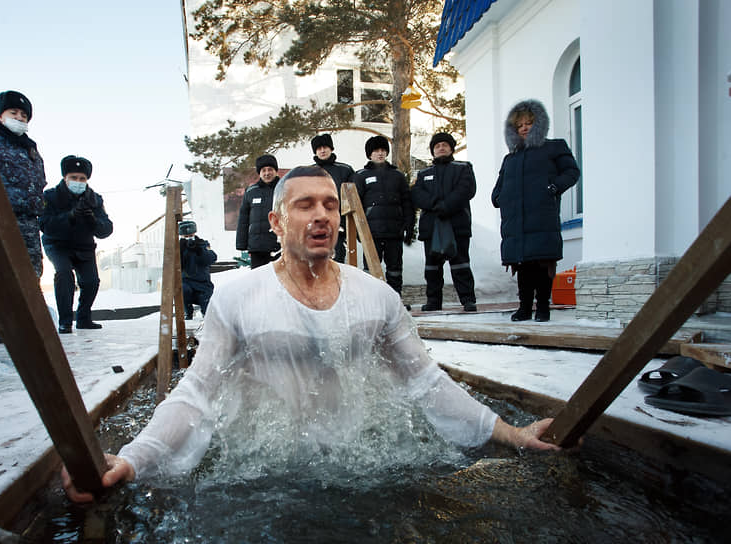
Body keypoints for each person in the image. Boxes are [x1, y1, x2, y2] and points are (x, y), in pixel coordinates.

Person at [62, 165, 561, 503]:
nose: (321, 215)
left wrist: (511, 433)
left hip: (359, 466)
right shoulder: (238, 299)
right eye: (305, 206)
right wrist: (132, 460)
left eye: (329, 205)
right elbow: (195, 395)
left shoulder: (376, 297)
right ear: (277, 222)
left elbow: (426, 383)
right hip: (262, 477)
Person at [491, 99, 580, 322]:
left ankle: (542, 307)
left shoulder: (553, 147)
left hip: (541, 215)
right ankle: (524, 307)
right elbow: (500, 184)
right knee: (522, 266)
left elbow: (571, 172)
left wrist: (553, 188)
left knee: (542, 263)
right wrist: (498, 197)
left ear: (538, 124)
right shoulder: (510, 158)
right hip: (515, 220)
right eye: (519, 125)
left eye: (528, 123)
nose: (524, 128)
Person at [0, 90, 47, 343]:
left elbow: (39, 181)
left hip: (28, 221)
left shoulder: (31, 149)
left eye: (24, 115)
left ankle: (23, 326)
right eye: (14, 113)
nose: (20, 118)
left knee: (32, 272)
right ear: (1, 116)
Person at [40, 156, 113, 333]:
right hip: (58, 245)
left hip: (84, 246)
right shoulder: (50, 196)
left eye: (82, 179)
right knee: (64, 275)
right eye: (73, 177)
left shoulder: (95, 199)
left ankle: (84, 318)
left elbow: (106, 229)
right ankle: (65, 321)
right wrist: (69, 216)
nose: (78, 182)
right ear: (65, 177)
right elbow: (45, 224)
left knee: (91, 282)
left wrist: (93, 221)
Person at [411, 133, 477, 312]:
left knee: (461, 264)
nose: (441, 147)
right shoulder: (424, 174)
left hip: (457, 225)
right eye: (437, 145)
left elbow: (466, 190)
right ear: (432, 150)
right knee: (432, 268)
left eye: (444, 145)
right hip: (431, 227)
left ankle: (468, 300)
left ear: (451, 148)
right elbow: (417, 194)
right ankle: (434, 301)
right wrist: (434, 204)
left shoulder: (463, 168)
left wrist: (447, 205)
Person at [353, 135, 414, 307]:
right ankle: (371, 302)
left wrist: (409, 225)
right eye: (376, 151)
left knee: (395, 269)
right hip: (371, 232)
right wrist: (359, 232)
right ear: (369, 154)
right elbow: (355, 206)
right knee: (371, 269)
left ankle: (395, 301)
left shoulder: (397, 175)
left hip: (394, 231)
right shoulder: (361, 176)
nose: (380, 154)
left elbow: (407, 202)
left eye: (382, 150)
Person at [310, 133, 354, 263]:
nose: (322, 151)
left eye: (325, 147)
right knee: (317, 262)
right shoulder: (308, 172)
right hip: (315, 226)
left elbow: (352, 200)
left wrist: (346, 226)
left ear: (331, 148)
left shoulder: (345, 170)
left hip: (337, 226)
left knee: (337, 262)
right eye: (319, 148)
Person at [236, 154, 281, 268]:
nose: (267, 173)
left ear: (275, 171)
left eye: (270, 169)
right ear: (259, 173)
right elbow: (243, 219)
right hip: (258, 248)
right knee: (260, 283)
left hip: (280, 246)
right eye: (263, 170)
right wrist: (241, 243)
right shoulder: (251, 191)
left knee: (281, 282)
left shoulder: (285, 188)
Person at [179, 220, 217, 320]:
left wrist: (200, 251)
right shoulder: (178, 247)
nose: (189, 239)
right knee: (182, 290)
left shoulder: (202, 244)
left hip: (203, 283)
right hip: (186, 282)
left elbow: (211, 259)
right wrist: (181, 250)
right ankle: (188, 312)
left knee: (208, 313)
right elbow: (177, 264)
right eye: (185, 237)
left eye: (190, 235)